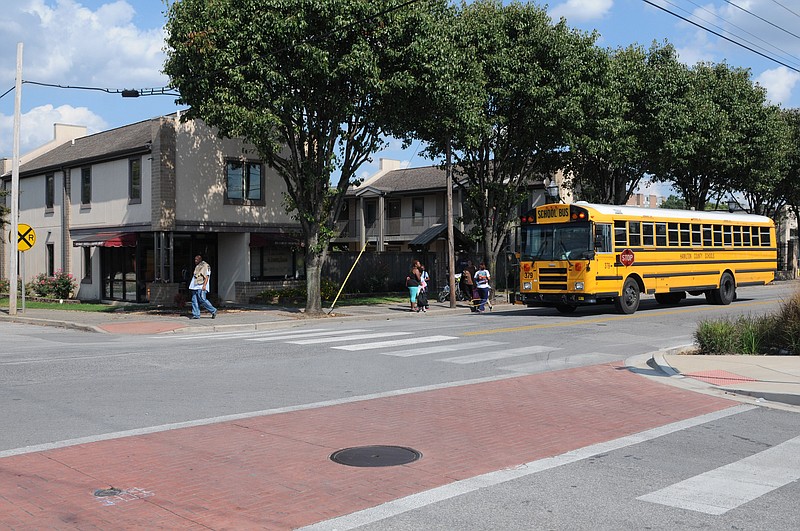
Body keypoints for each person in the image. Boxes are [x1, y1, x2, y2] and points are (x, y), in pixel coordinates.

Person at [189, 254, 217, 319]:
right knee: (194, 301)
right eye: (195, 259)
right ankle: (196, 314)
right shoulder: (197, 266)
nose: (195, 261)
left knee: (202, 299)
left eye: (196, 259)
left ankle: (213, 310)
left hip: (201, 286)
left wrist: (204, 286)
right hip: (194, 286)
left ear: (200, 259)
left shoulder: (205, 266)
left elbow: (207, 276)